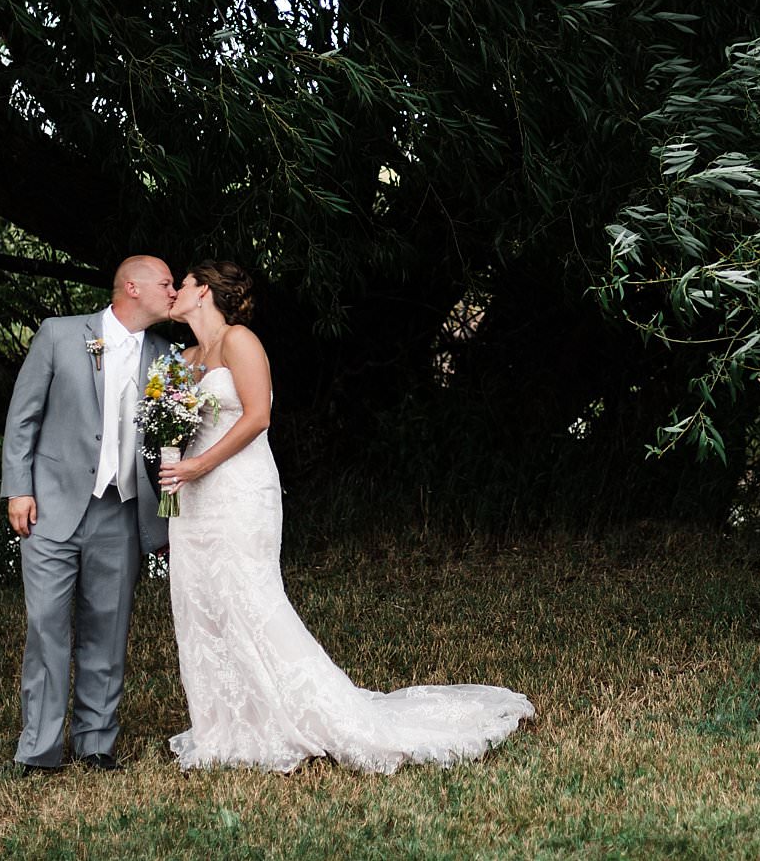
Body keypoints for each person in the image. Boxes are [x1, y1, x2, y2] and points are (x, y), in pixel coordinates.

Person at [161, 258, 534, 771]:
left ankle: (312, 715)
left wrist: (199, 463)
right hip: (193, 500)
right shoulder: (184, 358)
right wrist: (172, 459)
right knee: (202, 602)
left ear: (203, 291)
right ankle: (229, 726)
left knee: (248, 596)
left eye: (181, 283)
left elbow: (258, 416)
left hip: (238, 490)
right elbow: (172, 424)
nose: (174, 292)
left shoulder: (239, 341)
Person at [0, 255, 177, 777]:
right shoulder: (60, 334)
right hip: (51, 506)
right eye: (166, 282)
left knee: (108, 627)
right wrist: (18, 489)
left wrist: (163, 520)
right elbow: (23, 415)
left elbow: (171, 446)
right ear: (132, 287)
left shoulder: (168, 357)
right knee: (47, 624)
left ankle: (96, 743)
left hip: (121, 512)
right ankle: (39, 750)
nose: (173, 290)